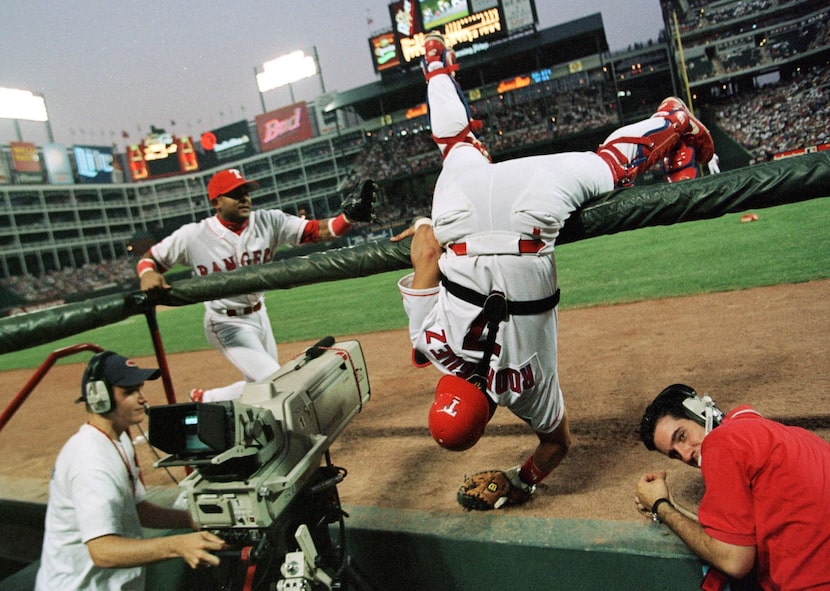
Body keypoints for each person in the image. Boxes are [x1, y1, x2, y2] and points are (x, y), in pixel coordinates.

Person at [394, 32, 714, 511]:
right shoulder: (427, 345)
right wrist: (426, 221)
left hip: (531, 215)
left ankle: (674, 124)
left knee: (608, 166)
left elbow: (559, 443)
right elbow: (425, 251)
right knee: (454, 142)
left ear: (486, 422)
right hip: (459, 212)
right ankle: (436, 67)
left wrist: (521, 480)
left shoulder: (526, 396)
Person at [138, 168, 376, 403]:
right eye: (235, 193)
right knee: (278, 381)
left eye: (246, 191)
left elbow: (318, 231)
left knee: (260, 386)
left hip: (260, 315)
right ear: (216, 202)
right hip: (225, 322)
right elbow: (150, 259)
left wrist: (349, 218)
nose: (244, 198)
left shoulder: (268, 221)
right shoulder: (192, 235)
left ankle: (208, 398)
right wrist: (148, 273)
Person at [35, 351, 227, 590]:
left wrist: (199, 520)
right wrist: (178, 545)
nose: (142, 399)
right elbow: (102, 551)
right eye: (129, 392)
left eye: (139, 389)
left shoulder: (117, 439)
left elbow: (137, 509)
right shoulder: (91, 464)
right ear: (100, 398)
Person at [635, 383, 830, 590]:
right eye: (674, 454)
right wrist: (672, 508)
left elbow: (735, 561)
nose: (685, 454)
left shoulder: (722, 442)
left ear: (700, 413)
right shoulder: (786, 435)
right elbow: (735, 537)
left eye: (682, 436)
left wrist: (661, 506)